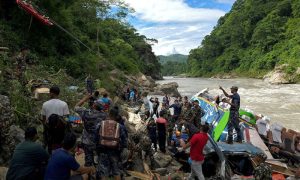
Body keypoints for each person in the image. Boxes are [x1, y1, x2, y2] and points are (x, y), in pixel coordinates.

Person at [95, 108, 128, 180]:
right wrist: (121, 149)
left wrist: (97, 149)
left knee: (103, 172)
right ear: (116, 116)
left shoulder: (100, 124)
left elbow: (96, 138)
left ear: (108, 114)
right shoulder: (120, 126)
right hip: (115, 152)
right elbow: (125, 142)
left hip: (103, 151)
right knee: (116, 172)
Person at [75, 94, 107, 167]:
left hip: (87, 141)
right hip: (99, 141)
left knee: (88, 160)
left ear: (94, 105)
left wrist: (85, 98)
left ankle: (89, 173)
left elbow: (76, 107)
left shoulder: (86, 113)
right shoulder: (104, 115)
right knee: (99, 160)